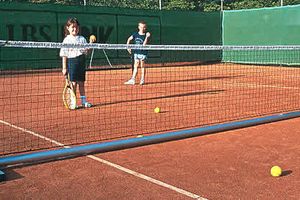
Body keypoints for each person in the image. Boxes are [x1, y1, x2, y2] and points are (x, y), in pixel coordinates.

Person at [60, 18, 95, 108]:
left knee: (81, 83)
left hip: (81, 62)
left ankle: (84, 102)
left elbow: (86, 52)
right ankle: (73, 102)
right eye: (72, 27)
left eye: (76, 27)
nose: (75, 29)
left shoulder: (82, 39)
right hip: (72, 62)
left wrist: (90, 44)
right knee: (73, 84)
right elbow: (64, 54)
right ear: (68, 28)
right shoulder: (66, 40)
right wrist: (64, 68)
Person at [124, 21, 151, 85]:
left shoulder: (146, 35)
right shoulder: (135, 34)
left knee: (142, 66)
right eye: (141, 27)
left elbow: (144, 45)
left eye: (144, 27)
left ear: (145, 28)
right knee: (135, 66)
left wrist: (147, 37)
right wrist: (127, 47)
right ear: (138, 27)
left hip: (143, 53)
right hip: (136, 53)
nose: (142, 28)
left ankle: (142, 80)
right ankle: (133, 79)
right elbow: (129, 39)